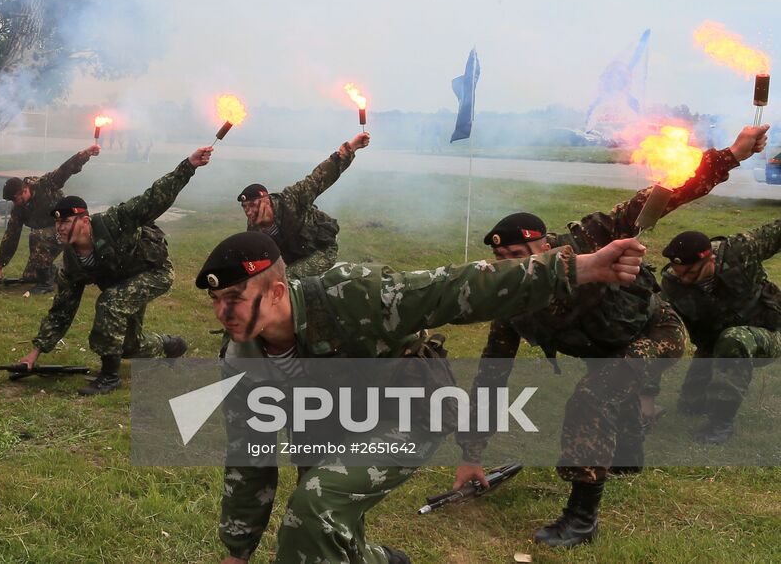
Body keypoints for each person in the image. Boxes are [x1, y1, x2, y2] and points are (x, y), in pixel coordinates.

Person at [200, 229, 650, 564]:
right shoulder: (242, 360)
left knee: (314, 505)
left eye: (235, 298)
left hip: (410, 411)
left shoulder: (352, 294)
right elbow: (249, 455)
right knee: (330, 519)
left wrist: (578, 268)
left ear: (277, 291)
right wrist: (238, 551)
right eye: (216, 300)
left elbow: (455, 287)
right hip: (329, 419)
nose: (224, 313)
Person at [452, 123, 769, 548]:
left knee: (593, 394)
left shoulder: (585, 240)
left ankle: (582, 519)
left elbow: (660, 196)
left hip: (655, 331)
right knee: (613, 398)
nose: (510, 265)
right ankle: (628, 449)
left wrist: (731, 154)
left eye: (517, 255)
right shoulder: (512, 300)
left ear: (545, 245)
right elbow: (491, 377)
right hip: (603, 346)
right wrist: (471, 455)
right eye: (501, 258)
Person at [17, 146, 211, 394]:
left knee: (110, 303)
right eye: (57, 223)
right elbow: (62, 310)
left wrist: (189, 165)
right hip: (124, 284)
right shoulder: (72, 262)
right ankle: (169, 345)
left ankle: (109, 377)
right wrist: (34, 353)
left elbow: (154, 197)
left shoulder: (116, 221)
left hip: (155, 272)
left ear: (84, 221)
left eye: (65, 222)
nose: (59, 229)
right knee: (129, 346)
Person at [660, 218, 781, 442]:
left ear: (710, 258)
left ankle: (720, 424)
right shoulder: (671, 285)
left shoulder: (740, 251)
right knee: (691, 406)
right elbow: (658, 331)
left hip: (770, 332)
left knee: (734, 339)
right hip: (715, 344)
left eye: (692, 273)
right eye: (680, 274)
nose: (685, 280)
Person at [236, 132, 370, 281]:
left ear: (266, 201)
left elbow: (321, 176)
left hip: (321, 250)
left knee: (286, 278)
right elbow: (255, 257)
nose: (249, 212)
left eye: (253, 205)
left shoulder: (290, 199)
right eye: (245, 207)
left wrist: (351, 147)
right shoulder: (254, 227)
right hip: (295, 257)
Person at [0, 144, 100, 295]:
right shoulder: (18, 209)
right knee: (30, 276)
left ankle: (46, 284)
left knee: (37, 235)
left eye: (15, 199)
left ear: (24, 190)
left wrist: (85, 154)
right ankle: (59, 271)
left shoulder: (45, 185)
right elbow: (11, 236)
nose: (14, 203)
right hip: (49, 237)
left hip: (67, 228)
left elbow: (65, 170)